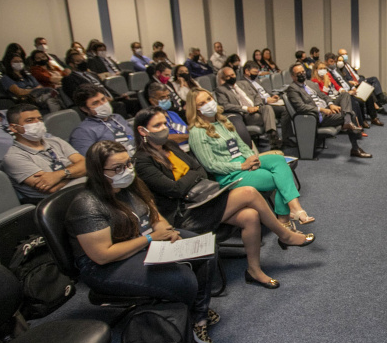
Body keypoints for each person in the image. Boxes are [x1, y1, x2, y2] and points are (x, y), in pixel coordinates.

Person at [133, 108, 313, 289]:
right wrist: (192, 176)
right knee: (249, 192)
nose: (164, 128)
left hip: (203, 198)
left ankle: (254, 271)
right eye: (157, 125)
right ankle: (285, 234)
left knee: (250, 215)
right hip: (185, 213)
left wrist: (190, 177)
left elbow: (200, 170)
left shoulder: (170, 146)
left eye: (165, 123)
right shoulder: (142, 161)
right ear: (142, 131)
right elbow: (175, 189)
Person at [66, 140, 219, 343]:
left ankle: (198, 314)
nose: (127, 171)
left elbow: (153, 214)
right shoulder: (87, 205)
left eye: (128, 164)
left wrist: (168, 231)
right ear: (98, 172)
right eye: (117, 168)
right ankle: (190, 314)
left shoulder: (130, 187)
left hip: (140, 242)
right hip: (105, 266)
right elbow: (102, 255)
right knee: (183, 279)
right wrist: (150, 238)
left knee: (207, 249)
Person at [186, 88, 315, 225]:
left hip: (244, 162)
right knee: (278, 178)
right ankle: (286, 217)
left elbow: (241, 146)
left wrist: (252, 159)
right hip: (230, 174)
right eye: (201, 103)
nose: (208, 103)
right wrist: (241, 166)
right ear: (196, 110)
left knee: (278, 160)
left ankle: (290, 213)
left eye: (209, 99)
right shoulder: (197, 132)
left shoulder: (223, 122)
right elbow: (210, 165)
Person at [0, 104, 86, 204]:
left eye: (40, 119)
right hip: (60, 201)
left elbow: (87, 165)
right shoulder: (13, 157)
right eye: (30, 120)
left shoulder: (55, 141)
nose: (37, 123)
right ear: (14, 128)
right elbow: (50, 189)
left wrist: (59, 175)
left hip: (85, 189)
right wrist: (76, 170)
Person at [285, 63, 371, 159]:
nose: (302, 74)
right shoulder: (292, 89)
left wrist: (331, 105)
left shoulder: (310, 83)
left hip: (327, 108)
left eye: (303, 72)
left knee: (345, 95)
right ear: (293, 76)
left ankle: (347, 121)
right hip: (317, 116)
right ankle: (355, 148)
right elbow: (301, 107)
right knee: (352, 113)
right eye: (298, 73)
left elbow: (324, 96)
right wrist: (322, 109)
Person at [214, 67, 280, 148]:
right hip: (245, 114)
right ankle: (273, 138)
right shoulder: (221, 90)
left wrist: (257, 105)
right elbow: (225, 105)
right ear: (224, 78)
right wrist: (246, 108)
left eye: (233, 75)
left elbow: (256, 95)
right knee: (265, 116)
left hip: (256, 107)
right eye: (228, 76)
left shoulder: (244, 83)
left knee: (267, 107)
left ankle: (272, 135)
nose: (231, 77)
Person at [62, 50, 131, 118]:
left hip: (111, 99)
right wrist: (103, 99)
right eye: (79, 61)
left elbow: (105, 87)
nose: (83, 62)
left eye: (83, 60)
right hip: (97, 104)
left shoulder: (92, 74)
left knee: (134, 101)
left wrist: (119, 95)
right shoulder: (69, 79)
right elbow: (79, 96)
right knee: (119, 105)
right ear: (71, 64)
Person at [70, 84, 135, 156]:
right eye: (95, 103)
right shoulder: (82, 132)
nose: (102, 104)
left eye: (103, 99)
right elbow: (90, 161)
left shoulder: (117, 117)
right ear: (84, 109)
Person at [325, 53, 383, 127]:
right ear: (326, 62)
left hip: (349, 88)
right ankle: (363, 121)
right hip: (343, 92)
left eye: (334, 61)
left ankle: (374, 118)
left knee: (368, 93)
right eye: (331, 62)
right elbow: (336, 86)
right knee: (359, 100)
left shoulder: (337, 69)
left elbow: (344, 80)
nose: (333, 63)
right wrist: (347, 91)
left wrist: (352, 88)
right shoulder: (327, 72)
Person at [143, 81, 189, 146]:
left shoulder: (173, 114)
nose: (166, 99)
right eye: (162, 97)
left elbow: (186, 129)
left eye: (167, 96)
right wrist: (189, 137)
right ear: (152, 100)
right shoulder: (151, 119)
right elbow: (164, 138)